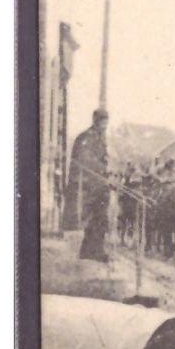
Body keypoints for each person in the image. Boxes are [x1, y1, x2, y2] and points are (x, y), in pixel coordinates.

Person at [67, 109, 111, 262]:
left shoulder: (100, 138)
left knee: (100, 219)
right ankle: (92, 251)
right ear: (95, 120)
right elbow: (84, 159)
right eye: (102, 121)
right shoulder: (87, 137)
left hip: (99, 186)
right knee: (95, 219)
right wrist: (103, 169)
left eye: (106, 122)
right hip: (89, 187)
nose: (104, 125)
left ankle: (91, 250)